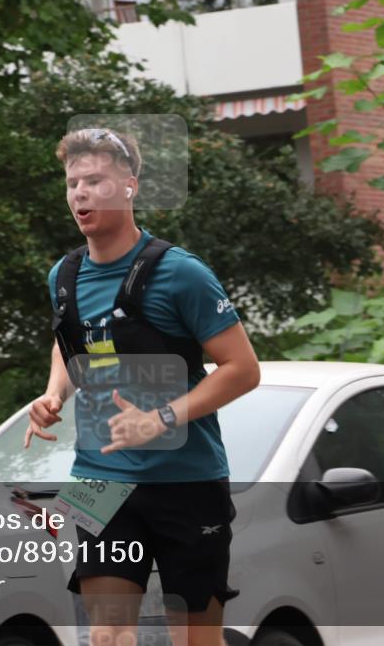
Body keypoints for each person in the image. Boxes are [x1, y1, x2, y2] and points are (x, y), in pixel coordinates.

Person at [24, 127, 260, 646]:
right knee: (106, 636)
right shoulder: (62, 276)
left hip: (187, 482)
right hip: (97, 481)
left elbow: (243, 369)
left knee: (194, 639)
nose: (80, 193)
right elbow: (71, 341)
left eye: (95, 180)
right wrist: (53, 393)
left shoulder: (181, 274)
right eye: (72, 183)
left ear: (129, 185)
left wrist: (161, 418)